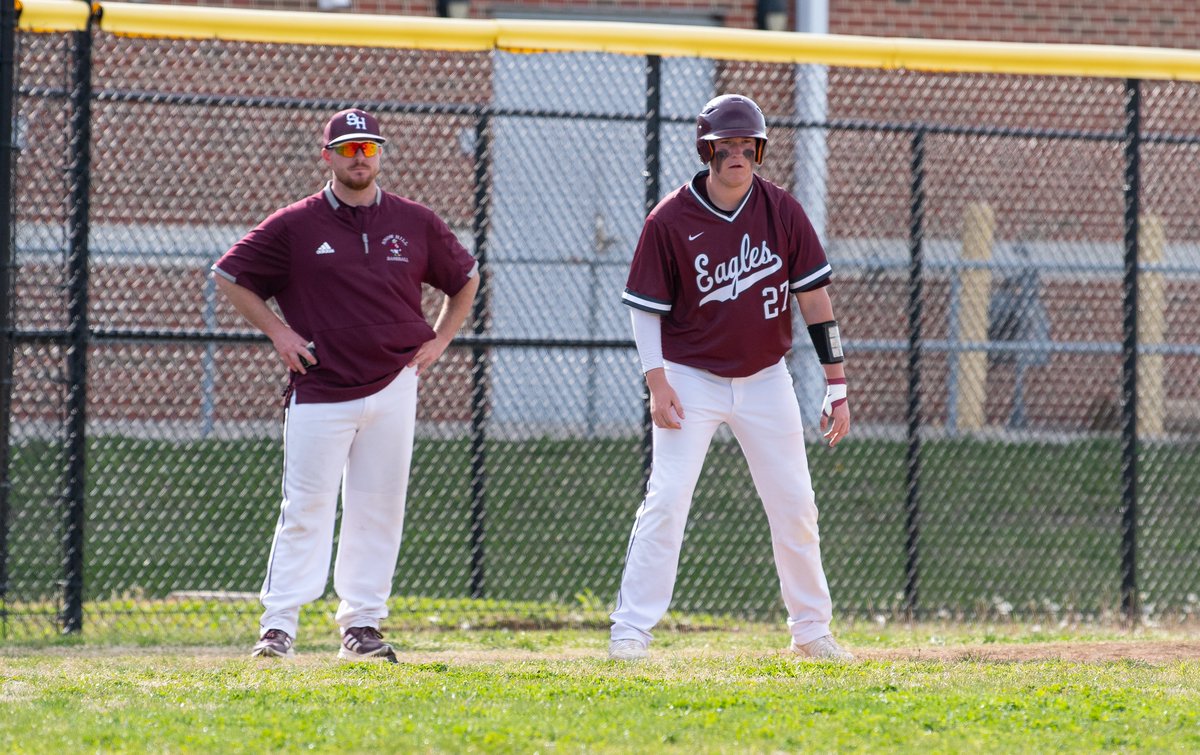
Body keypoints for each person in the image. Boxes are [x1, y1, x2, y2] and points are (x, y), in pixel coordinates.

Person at [212, 108, 479, 662]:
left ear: (380, 154)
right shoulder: (295, 223)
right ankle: (278, 626)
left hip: (393, 382)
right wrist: (280, 334)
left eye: (369, 147)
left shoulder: (414, 220)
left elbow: (466, 278)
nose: (360, 158)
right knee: (306, 506)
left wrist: (440, 340)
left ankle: (361, 626)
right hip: (320, 384)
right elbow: (230, 275)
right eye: (348, 148)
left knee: (377, 507)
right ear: (327, 155)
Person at [609, 94, 853, 662]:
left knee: (794, 500)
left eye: (749, 145)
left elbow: (815, 300)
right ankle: (630, 631)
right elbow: (645, 308)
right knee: (667, 498)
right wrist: (657, 381)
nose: (739, 154)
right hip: (691, 377)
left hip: (767, 378)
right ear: (707, 149)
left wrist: (836, 383)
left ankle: (812, 630)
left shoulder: (781, 211)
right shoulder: (670, 218)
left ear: (760, 151)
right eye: (728, 145)